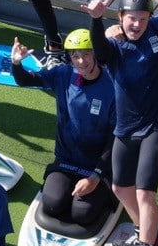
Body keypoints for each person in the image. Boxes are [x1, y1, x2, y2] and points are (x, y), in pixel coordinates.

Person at [86, 0, 158, 246]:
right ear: (120, 17)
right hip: (126, 128)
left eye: (142, 19)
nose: (136, 24)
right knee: (120, 187)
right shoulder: (114, 46)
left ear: (150, 18)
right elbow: (100, 51)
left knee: (144, 192)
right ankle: (145, 235)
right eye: (131, 19)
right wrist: (96, 20)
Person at [10, 29, 117, 230]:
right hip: (66, 161)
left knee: (82, 213)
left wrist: (96, 176)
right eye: (75, 56)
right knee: (52, 204)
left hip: (98, 166)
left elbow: (115, 139)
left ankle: (110, 191)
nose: (81, 61)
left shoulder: (112, 86)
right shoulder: (63, 74)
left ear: (95, 53)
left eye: (86, 54)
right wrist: (16, 63)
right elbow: (25, 80)